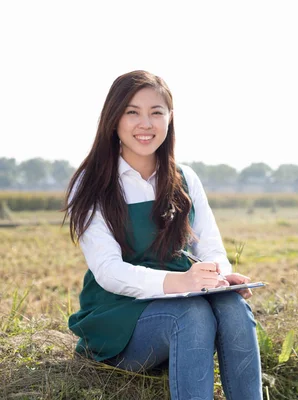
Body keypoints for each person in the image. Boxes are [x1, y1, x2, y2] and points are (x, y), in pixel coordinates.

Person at [63, 70, 262, 399]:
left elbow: (211, 247)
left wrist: (221, 277)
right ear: (113, 119)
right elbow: (109, 272)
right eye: (132, 112)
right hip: (119, 319)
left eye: (156, 112)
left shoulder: (185, 178)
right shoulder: (92, 183)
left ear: (170, 119)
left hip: (183, 300)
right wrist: (179, 284)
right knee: (191, 314)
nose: (146, 124)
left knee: (231, 304)